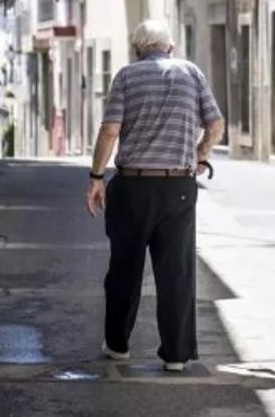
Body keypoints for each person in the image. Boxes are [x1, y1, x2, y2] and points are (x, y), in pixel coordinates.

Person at [84, 19, 225, 372]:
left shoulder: (126, 76)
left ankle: (117, 345)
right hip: (178, 188)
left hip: (132, 186)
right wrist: (200, 154)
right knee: (176, 272)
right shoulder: (191, 73)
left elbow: (110, 130)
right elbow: (216, 124)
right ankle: (176, 355)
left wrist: (97, 177)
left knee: (124, 268)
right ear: (170, 47)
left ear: (137, 49)